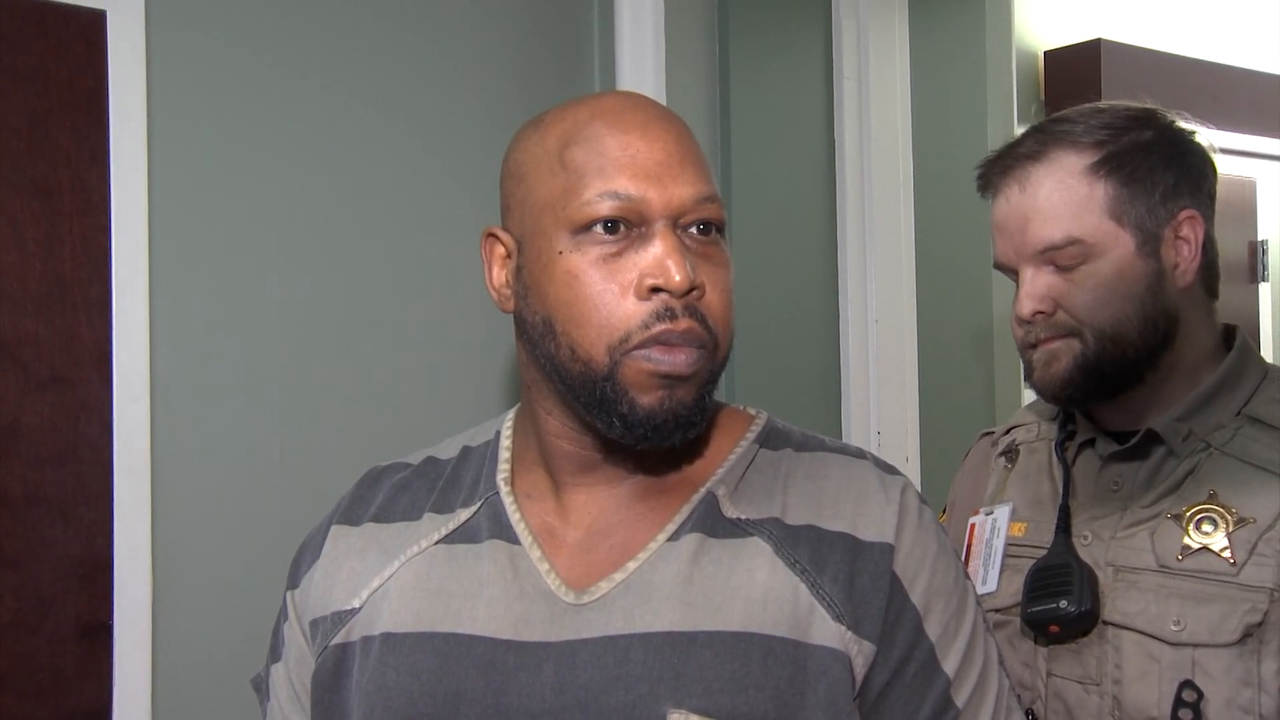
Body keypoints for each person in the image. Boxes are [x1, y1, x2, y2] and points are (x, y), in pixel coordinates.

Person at [252, 90, 1022, 719]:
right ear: (505, 271)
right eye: (613, 227)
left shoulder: (867, 531)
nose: (678, 272)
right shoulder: (363, 548)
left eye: (703, 228)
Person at [943, 100, 1280, 720]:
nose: (1026, 306)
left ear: (1180, 248)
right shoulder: (996, 469)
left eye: (1065, 263)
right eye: (1013, 275)